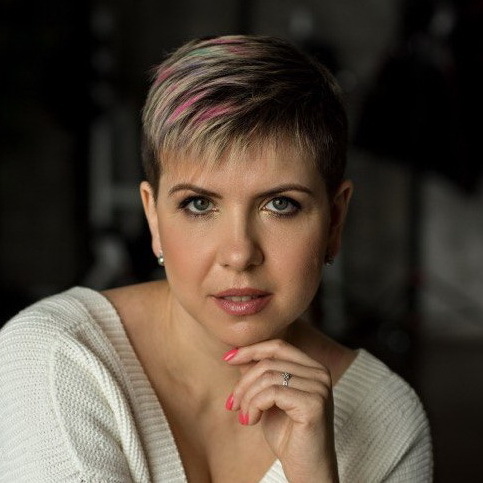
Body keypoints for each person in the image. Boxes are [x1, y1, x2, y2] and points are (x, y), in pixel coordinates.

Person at [0, 35, 432, 482]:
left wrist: (313, 473)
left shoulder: (387, 420)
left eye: (280, 204)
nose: (239, 254)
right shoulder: (53, 358)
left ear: (334, 220)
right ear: (154, 217)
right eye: (199, 204)